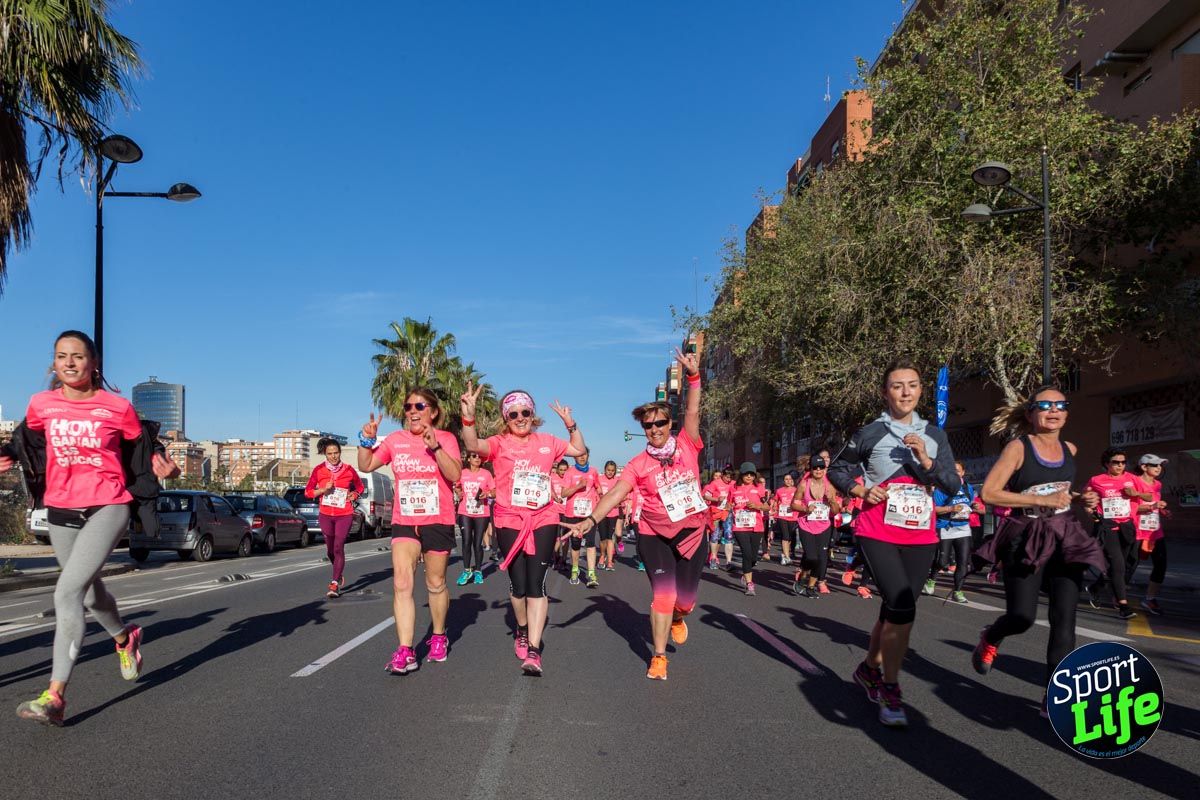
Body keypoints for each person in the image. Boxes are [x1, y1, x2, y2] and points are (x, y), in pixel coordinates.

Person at [1, 330, 179, 725]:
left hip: (108, 504)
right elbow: (28, 438)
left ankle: (55, 695)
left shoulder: (116, 407)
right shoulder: (41, 404)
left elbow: (142, 444)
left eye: (77, 356)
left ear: (93, 362)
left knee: (67, 592)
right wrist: (9, 454)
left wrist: (164, 464)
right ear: (54, 363)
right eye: (61, 356)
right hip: (61, 508)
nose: (69, 362)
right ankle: (125, 638)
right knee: (91, 595)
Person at [828, 360, 960, 728]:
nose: (905, 392)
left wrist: (926, 460)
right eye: (897, 386)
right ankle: (890, 687)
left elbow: (952, 484)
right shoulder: (870, 433)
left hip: (920, 532)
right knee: (901, 604)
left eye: (912, 385)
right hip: (877, 529)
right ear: (885, 392)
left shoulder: (935, 434)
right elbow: (837, 469)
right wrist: (861, 490)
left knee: (897, 608)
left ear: (921, 390)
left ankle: (869, 669)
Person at [563, 349, 708, 680]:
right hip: (655, 535)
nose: (654, 429)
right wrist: (590, 520)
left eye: (660, 423)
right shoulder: (638, 464)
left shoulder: (687, 444)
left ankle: (678, 617)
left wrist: (693, 377)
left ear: (670, 424)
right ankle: (659, 656)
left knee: (685, 600)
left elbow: (693, 410)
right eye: (648, 425)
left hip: (693, 532)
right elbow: (616, 493)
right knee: (664, 596)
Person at [970, 387, 1105, 716]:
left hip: (1065, 535)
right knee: (1022, 616)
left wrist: (1083, 498)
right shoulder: (1019, 448)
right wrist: (1040, 500)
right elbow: (990, 493)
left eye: (1060, 405)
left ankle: (1055, 695)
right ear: (1031, 413)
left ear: (1067, 413)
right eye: (1045, 405)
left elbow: (1062, 492)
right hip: (1026, 536)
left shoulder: (1070, 449)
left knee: (1065, 619)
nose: (1053, 410)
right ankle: (992, 635)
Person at [460, 385, 586, 675]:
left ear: (532, 414)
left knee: (536, 584)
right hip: (509, 519)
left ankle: (534, 649)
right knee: (518, 587)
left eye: (525, 412)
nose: (520, 418)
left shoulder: (547, 442)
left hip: (543, 517)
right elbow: (472, 445)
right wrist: (468, 417)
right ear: (506, 418)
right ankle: (522, 628)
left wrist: (570, 423)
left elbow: (578, 449)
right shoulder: (498, 443)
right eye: (513, 414)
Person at [358, 388, 462, 675]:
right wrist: (366, 440)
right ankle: (405, 650)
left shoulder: (446, 438)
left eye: (419, 406)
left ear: (434, 411)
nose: (413, 411)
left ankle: (438, 635)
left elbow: (455, 475)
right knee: (402, 583)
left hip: (437, 519)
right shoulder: (395, 440)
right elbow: (365, 464)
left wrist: (435, 448)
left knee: (435, 583)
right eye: (408, 407)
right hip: (404, 519)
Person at [1083, 447, 1139, 620]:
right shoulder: (1097, 480)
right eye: (1116, 462)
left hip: (1127, 526)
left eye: (1123, 462)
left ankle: (1095, 587)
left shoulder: (1132, 479)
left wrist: (1137, 494)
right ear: (1107, 463)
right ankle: (1123, 605)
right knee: (1118, 565)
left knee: (1122, 565)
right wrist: (1090, 512)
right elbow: (1087, 500)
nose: (1120, 465)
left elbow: (1145, 497)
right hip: (1108, 527)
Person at [305, 438, 365, 598]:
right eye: (330, 453)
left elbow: (360, 486)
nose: (333, 456)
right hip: (325, 514)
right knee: (330, 550)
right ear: (325, 454)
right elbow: (308, 492)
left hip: (344, 514)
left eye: (336, 453)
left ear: (340, 452)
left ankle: (335, 583)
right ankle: (338, 572)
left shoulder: (348, 470)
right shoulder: (319, 470)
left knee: (339, 547)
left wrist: (354, 495)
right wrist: (322, 490)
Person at [923, 461, 982, 604]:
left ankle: (957, 591)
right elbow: (934, 509)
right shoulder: (941, 489)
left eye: (958, 471)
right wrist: (951, 509)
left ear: (963, 473)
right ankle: (931, 580)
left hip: (963, 528)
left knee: (963, 562)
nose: (955, 474)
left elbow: (970, 504)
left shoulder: (968, 487)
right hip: (945, 527)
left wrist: (975, 506)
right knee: (942, 562)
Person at [792, 455, 842, 598]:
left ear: (825, 469)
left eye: (821, 467)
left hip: (824, 526)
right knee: (811, 557)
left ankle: (811, 587)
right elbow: (793, 505)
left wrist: (832, 501)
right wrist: (805, 509)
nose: (818, 470)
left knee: (820, 559)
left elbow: (835, 511)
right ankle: (803, 575)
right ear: (811, 469)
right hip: (806, 525)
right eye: (815, 468)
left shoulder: (829, 486)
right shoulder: (804, 484)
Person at [1132, 454, 1170, 616]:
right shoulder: (1134, 482)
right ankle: (1112, 593)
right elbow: (1129, 508)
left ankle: (1150, 599)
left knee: (1161, 564)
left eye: (1160, 465)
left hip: (1155, 531)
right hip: (1137, 531)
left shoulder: (1157, 484)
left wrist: (1162, 510)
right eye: (1155, 465)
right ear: (1144, 467)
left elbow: (1154, 504)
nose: (1158, 468)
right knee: (1129, 565)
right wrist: (1153, 506)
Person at [729, 462, 770, 596]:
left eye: (751, 474)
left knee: (753, 557)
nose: (749, 477)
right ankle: (749, 584)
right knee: (746, 553)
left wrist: (757, 506)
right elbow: (728, 503)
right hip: (739, 527)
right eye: (746, 474)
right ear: (741, 474)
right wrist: (727, 506)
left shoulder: (759, 488)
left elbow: (767, 506)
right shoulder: (733, 488)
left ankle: (746, 571)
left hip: (756, 526)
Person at [562, 451, 602, 588]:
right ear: (574, 457)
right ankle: (575, 570)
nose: (582, 457)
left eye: (585, 455)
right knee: (576, 544)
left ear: (588, 456)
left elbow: (598, 488)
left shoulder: (593, 471)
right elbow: (563, 493)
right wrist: (578, 486)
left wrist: (601, 494)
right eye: (579, 455)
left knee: (590, 543)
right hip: (573, 513)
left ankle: (591, 574)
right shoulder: (569, 472)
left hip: (589, 514)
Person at [456, 451, 495, 585]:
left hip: (481, 512)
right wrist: (458, 492)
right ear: (468, 459)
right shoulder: (462, 473)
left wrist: (487, 494)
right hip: (465, 511)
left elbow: (494, 491)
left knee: (477, 543)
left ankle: (478, 571)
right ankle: (467, 571)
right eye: (474, 456)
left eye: (479, 456)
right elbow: (457, 487)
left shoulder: (486, 474)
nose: (477, 458)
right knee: (466, 541)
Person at [703, 466, 735, 569]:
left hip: (727, 512)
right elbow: (706, 496)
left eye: (730, 477)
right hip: (715, 512)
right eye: (727, 477)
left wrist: (733, 503)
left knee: (729, 536)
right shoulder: (715, 483)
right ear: (723, 475)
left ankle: (729, 562)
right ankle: (713, 558)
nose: (728, 480)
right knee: (715, 536)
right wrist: (717, 499)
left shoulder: (733, 483)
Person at [596, 460, 623, 571]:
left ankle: (610, 561)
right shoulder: (599, 479)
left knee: (610, 537)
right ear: (605, 470)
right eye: (608, 470)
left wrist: (619, 502)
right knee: (603, 538)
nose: (610, 472)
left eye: (612, 470)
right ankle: (602, 555)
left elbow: (622, 494)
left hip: (613, 513)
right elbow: (596, 491)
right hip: (601, 513)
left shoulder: (618, 481)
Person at [773, 471, 800, 566]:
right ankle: (787, 557)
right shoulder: (779, 491)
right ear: (783, 481)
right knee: (785, 536)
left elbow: (800, 501)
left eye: (790, 479)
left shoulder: (797, 490)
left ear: (793, 480)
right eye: (786, 479)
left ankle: (784, 554)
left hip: (793, 516)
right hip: (782, 516)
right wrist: (774, 510)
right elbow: (775, 502)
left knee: (789, 537)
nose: (788, 481)